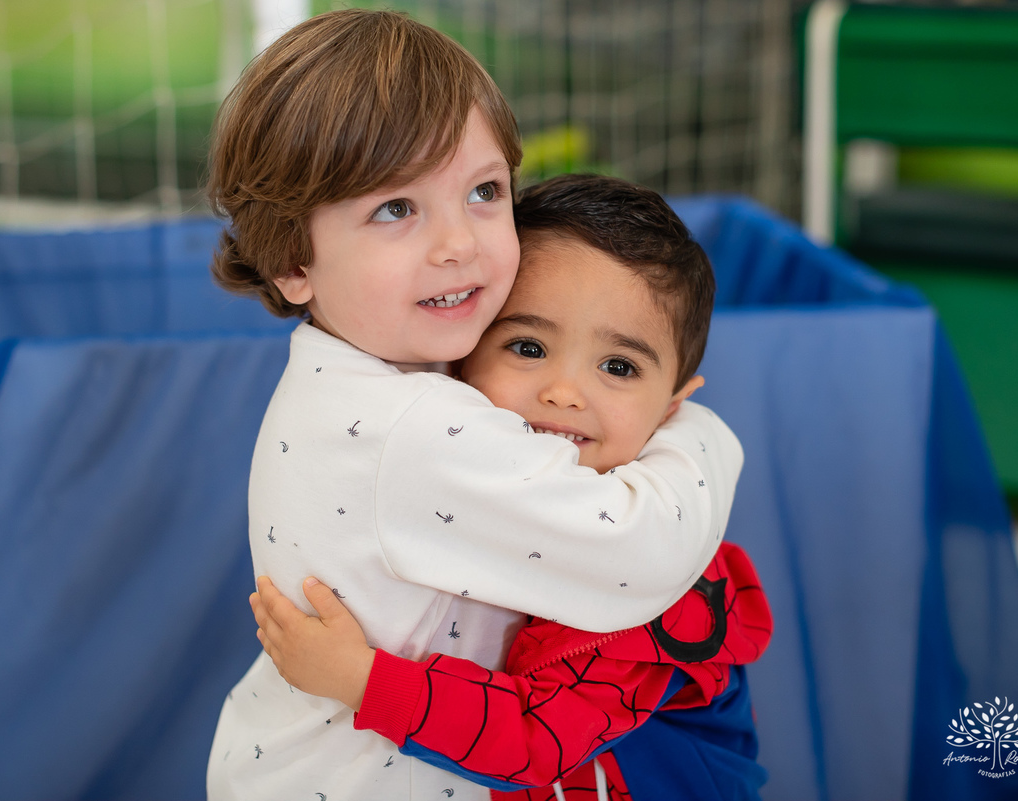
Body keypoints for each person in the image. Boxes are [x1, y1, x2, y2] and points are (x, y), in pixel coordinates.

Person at [205, 11, 743, 801]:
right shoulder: (416, 427)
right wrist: (697, 430)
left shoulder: (355, 371)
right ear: (293, 261)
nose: (459, 242)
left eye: (484, 191)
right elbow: (642, 550)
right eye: (396, 208)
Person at [250, 175, 773, 801]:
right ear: (458, 363)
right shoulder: (486, 492)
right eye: (527, 347)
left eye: (618, 367)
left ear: (673, 407)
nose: (564, 391)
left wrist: (362, 679)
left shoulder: (647, 596)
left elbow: (532, 741)